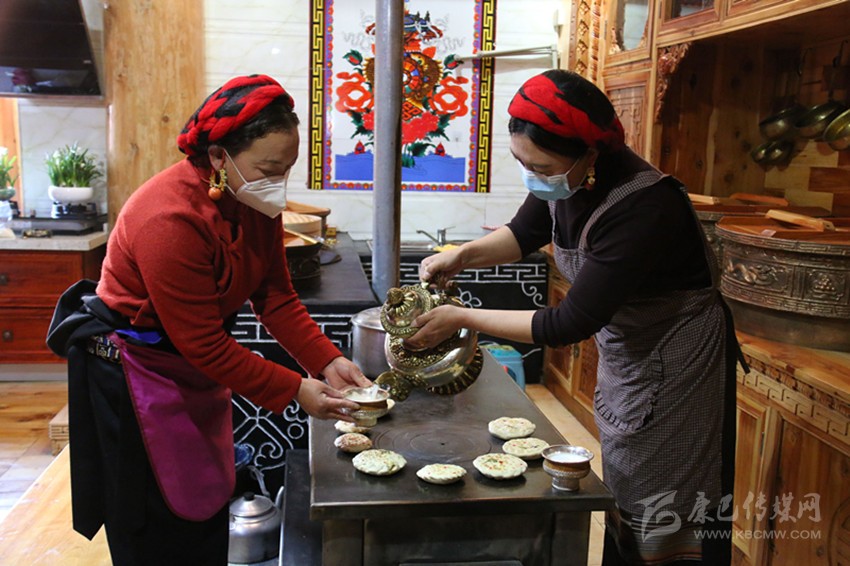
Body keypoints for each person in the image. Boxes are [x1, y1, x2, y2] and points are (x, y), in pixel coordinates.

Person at [406, 69, 743, 565]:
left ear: (591, 153)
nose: (531, 174)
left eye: (539, 165)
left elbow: (568, 324)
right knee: (628, 489)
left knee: (668, 501)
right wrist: (462, 255)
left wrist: (464, 317)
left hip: (679, 368)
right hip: (632, 355)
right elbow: (524, 232)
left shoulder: (643, 206)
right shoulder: (564, 181)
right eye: (521, 161)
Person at [46, 74, 372, 565]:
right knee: (155, 519)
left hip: (189, 368)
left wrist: (326, 362)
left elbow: (275, 296)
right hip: (134, 374)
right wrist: (294, 389)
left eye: (286, 169)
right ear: (219, 156)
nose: (278, 183)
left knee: (203, 505)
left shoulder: (251, 199)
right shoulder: (168, 219)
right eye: (269, 168)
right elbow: (203, 342)